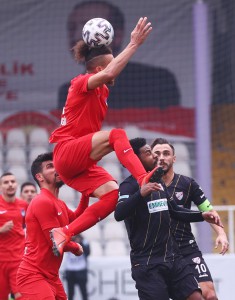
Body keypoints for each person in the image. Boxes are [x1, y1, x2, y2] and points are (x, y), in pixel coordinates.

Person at [49, 16, 160, 256]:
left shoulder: (102, 91)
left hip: (78, 164)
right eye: (113, 63)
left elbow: (109, 73)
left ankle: (65, 232)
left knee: (112, 196)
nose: (117, 68)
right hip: (67, 152)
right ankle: (142, 177)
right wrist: (133, 44)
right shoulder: (81, 83)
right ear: (99, 69)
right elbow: (110, 72)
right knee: (117, 134)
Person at [114, 137, 223, 300]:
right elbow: (119, 213)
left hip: (172, 258)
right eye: (149, 153)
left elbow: (174, 211)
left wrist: (202, 216)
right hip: (147, 264)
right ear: (136, 159)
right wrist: (141, 194)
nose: (155, 157)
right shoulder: (128, 186)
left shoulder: (158, 182)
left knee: (200, 297)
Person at [58, 0, 181, 109]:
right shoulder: (69, 90)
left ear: (118, 36)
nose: (76, 36)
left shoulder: (157, 80)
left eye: (91, 29)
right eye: (72, 28)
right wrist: (134, 44)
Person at [151, 137, 229, 300]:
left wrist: (221, 234)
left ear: (174, 158)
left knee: (209, 294)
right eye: (157, 153)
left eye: (166, 153)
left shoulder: (187, 183)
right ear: (151, 157)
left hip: (186, 247)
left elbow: (207, 210)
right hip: (159, 251)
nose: (162, 157)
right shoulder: (146, 185)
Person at [16, 152, 90, 299]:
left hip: (51, 276)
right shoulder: (42, 201)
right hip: (33, 275)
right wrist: (76, 248)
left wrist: (86, 193)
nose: (57, 168)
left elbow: (76, 219)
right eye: (50, 166)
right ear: (40, 177)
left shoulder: (59, 203)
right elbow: (55, 241)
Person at [0, 172, 28, 300]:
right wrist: (1, 230)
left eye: (12, 181)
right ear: (1, 187)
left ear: (16, 185)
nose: (10, 185)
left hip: (18, 261)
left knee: (21, 296)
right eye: (6, 182)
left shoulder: (23, 205)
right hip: (1, 262)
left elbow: (27, 227)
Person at [64, 234, 90, 300]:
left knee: (83, 292)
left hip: (81, 270)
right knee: (70, 293)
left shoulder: (84, 241)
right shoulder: (68, 240)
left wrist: (80, 243)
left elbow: (88, 253)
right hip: (70, 270)